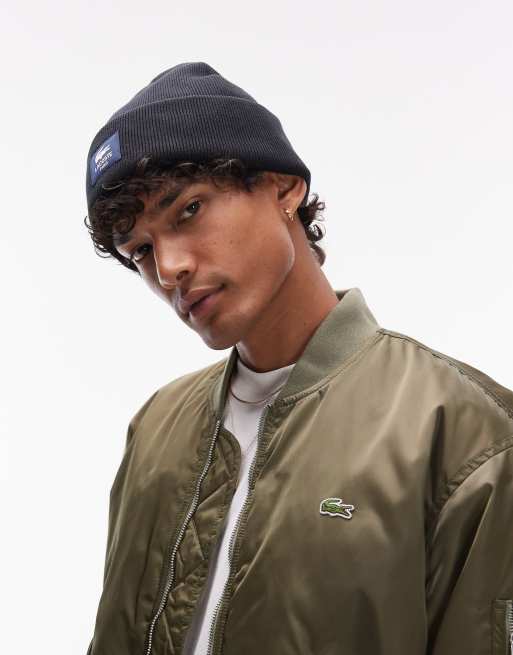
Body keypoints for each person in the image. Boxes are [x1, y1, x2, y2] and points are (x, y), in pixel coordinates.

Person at [83, 62, 513, 655]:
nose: (169, 268)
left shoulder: (463, 429)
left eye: (189, 210)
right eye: (140, 250)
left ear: (284, 188)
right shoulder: (156, 426)